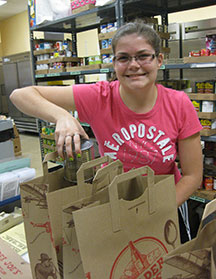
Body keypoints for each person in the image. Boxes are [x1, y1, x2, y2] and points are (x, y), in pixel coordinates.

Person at [10, 20, 203, 243]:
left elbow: (192, 175)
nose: (133, 65)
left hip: (165, 203)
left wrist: (154, 209)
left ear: (159, 60)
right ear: (114, 63)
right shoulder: (99, 97)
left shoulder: (179, 104)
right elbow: (20, 95)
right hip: (113, 202)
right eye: (123, 58)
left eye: (143, 56)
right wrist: (62, 116)